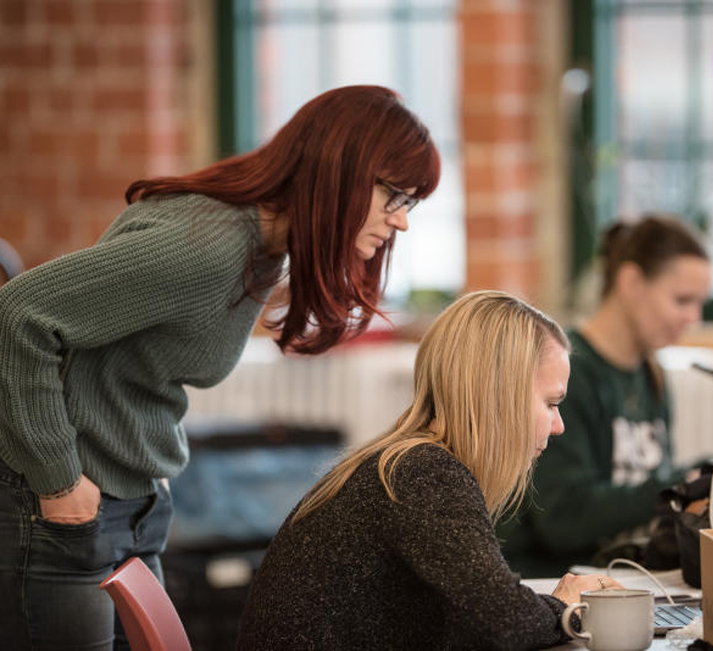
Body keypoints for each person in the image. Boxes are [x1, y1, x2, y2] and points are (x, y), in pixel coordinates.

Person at [0, 85, 440, 650]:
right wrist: (58, 477)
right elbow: (19, 315)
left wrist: (143, 465)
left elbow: (130, 366)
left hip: (126, 504)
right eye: (394, 197)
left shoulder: (262, 245)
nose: (400, 222)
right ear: (342, 173)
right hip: (65, 510)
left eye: (412, 203)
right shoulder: (207, 245)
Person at [236, 291, 623, 651]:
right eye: (552, 403)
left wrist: (550, 608)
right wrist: (566, 608)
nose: (559, 426)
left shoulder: (409, 462)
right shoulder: (426, 474)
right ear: (500, 393)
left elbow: (482, 615)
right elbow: (508, 623)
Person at [498, 214, 712, 578]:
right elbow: (562, 518)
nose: (694, 318)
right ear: (630, 282)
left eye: (700, 303)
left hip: (619, 575)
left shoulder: (652, 374)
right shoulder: (567, 372)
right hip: (547, 581)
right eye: (682, 300)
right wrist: (676, 486)